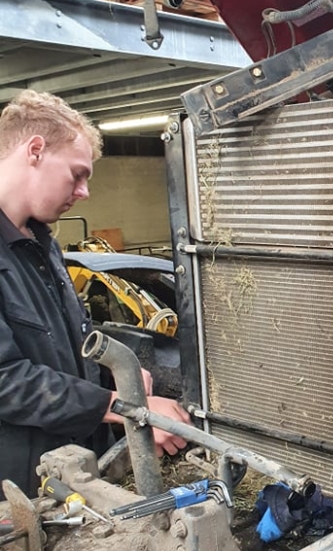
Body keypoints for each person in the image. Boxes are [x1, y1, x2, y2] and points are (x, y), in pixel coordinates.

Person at [0, 89, 190, 495]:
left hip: (76, 472)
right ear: (35, 150)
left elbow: (66, 345)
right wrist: (122, 407)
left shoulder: (42, 243)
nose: (84, 191)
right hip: (19, 489)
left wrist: (116, 375)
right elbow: (8, 381)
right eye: (77, 173)